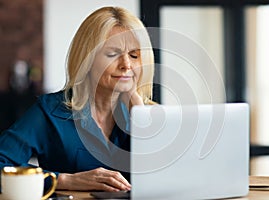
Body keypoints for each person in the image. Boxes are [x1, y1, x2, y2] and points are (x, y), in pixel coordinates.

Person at [0, 6, 155, 192]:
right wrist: (63, 180)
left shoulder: (153, 114)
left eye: (134, 55)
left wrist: (141, 115)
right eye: (113, 54)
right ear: (86, 59)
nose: (126, 65)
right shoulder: (51, 112)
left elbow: (174, 176)